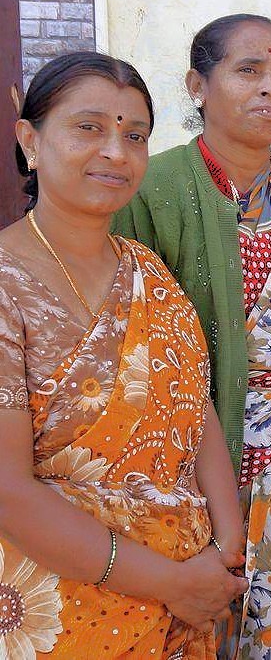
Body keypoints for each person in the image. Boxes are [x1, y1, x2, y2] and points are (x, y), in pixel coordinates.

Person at [113, 14, 271, 659]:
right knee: (203, 614)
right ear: (198, 84)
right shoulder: (151, 191)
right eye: (248, 70)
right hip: (194, 453)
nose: (270, 88)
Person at [0, 52, 247, 659]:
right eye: (89, 128)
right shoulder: (5, 282)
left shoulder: (149, 272)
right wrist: (172, 582)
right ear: (30, 139)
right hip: (56, 608)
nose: (116, 151)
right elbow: (6, 486)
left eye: (135, 135)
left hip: (183, 604)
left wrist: (227, 547)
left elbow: (197, 414)